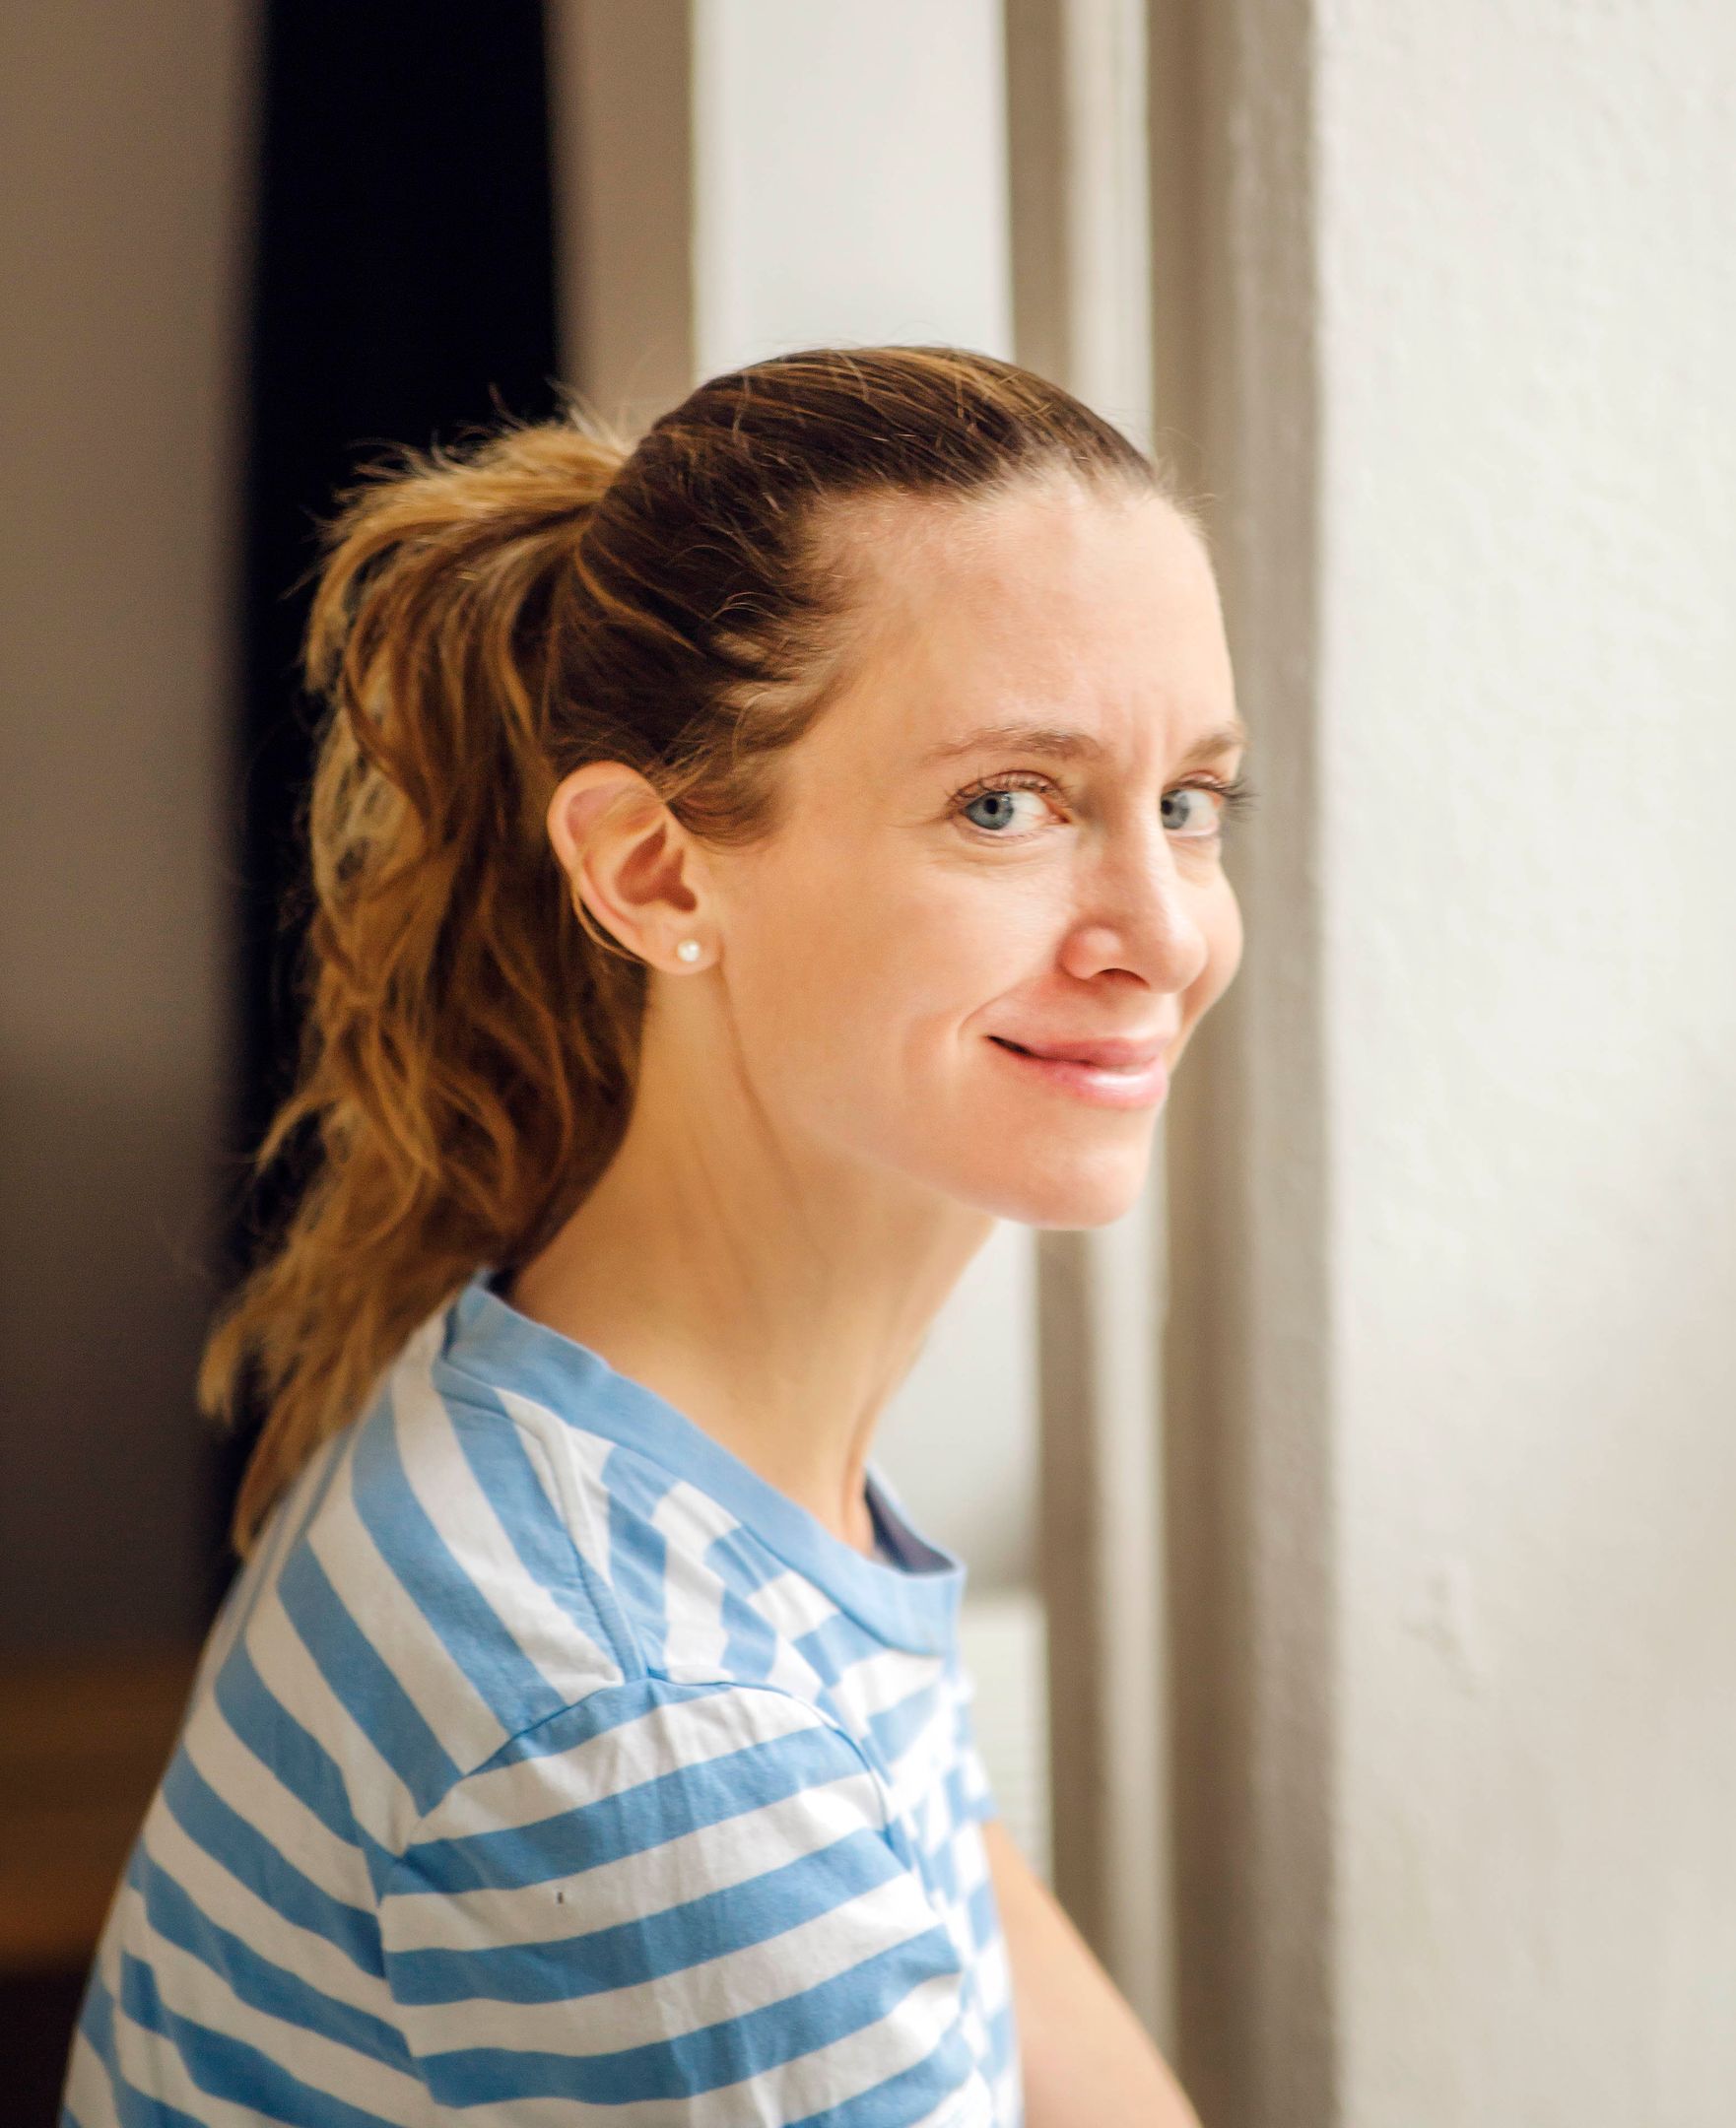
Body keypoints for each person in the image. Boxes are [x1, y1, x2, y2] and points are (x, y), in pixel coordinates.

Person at [59, 345, 1247, 2127]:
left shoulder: (700, 1479)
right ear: (654, 870)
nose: (1159, 934)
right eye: (1004, 803)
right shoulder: (645, 1725)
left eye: (1189, 804)